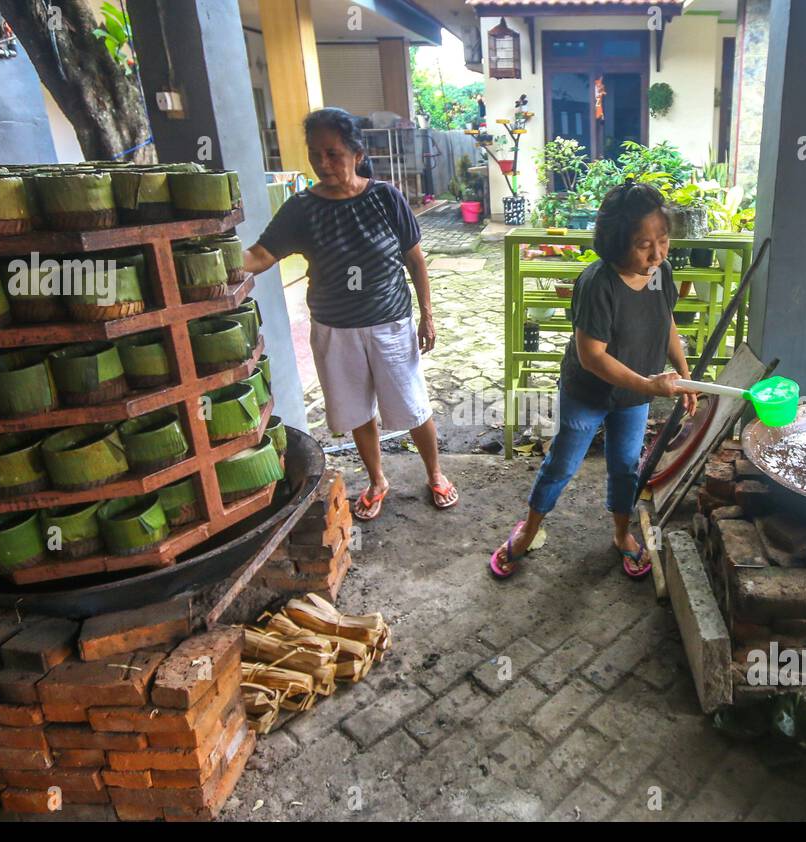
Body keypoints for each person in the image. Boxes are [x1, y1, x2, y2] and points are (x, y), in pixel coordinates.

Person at [243, 107, 457, 521]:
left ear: (357, 154)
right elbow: (262, 253)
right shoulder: (302, 209)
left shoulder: (385, 197)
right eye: (315, 154)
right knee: (358, 412)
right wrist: (222, 261)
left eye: (333, 153)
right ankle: (378, 480)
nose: (323, 164)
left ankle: (435, 472)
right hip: (334, 330)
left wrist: (426, 314)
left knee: (413, 407)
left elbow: (415, 260)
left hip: (390, 324)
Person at [489, 181, 697, 580]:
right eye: (643, 245)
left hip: (634, 397)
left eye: (663, 240)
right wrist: (651, 386)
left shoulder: (660, 273)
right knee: (563, 463)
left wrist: (684, 377)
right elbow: (592, 356)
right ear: (616, 242)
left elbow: (666, 321)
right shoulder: (597, 284)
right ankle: (528, 530)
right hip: (589, 393)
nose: (656, 254)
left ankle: (622, 535)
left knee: (624, 466)